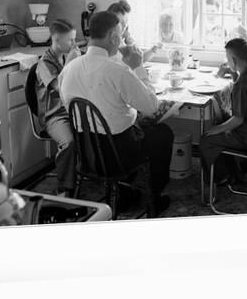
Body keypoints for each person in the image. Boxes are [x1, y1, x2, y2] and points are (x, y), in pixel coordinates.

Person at [59, 11, 175, 215]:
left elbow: (68, 104)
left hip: (85, 150)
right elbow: (151, 106)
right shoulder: (116, 70)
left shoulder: (69, 69)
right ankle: (152, 199)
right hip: (117, 153)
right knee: (162, 133)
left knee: (134, 130)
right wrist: (138, 67)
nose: (121, 39)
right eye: (120, 35)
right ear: (113, 37)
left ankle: (124, 194)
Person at [199, 38, 247, 185]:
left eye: (228, 58)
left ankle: (218, 179)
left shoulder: (242, 85)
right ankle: (231, 172)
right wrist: (235, 74)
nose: (227, 61)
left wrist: (218, 129)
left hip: (246, 136)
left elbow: (238, 120)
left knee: (206, 138)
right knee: (220, 122)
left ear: (234, 60)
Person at [34, 19, 82, 196]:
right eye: (70, 40)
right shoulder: (44, 64)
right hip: (55, 116)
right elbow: (60, 88)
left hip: (73, 111)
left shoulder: (66, 55)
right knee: (69, 143)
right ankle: (64, 188)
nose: (74, 43)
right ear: (57, 40)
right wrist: (70, 63)